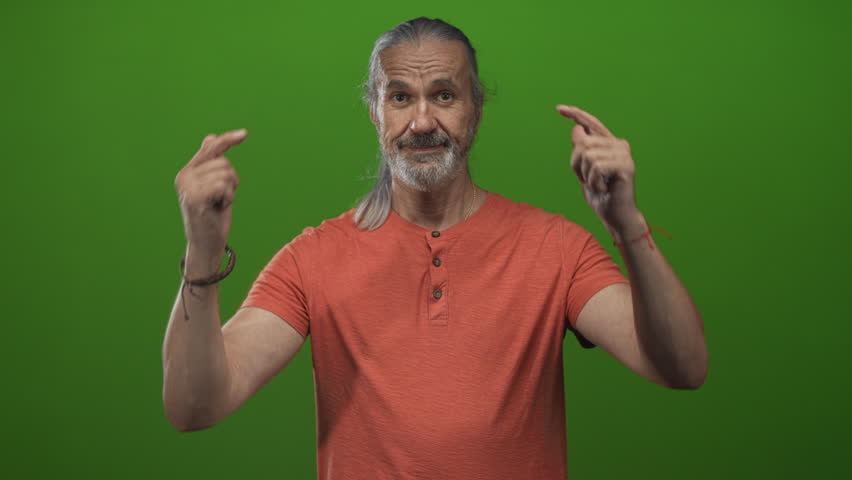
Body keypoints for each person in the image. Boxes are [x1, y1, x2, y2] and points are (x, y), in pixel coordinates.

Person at [163, 17, 708, 479]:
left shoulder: (555, 246)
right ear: (375, 112)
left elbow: (682, 366)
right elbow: (195, 406)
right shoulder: (313, 258)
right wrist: (203, 251)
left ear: (476, 108)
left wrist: (627, 222)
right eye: (400, 97)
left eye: (443, 95)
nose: (422, 121)